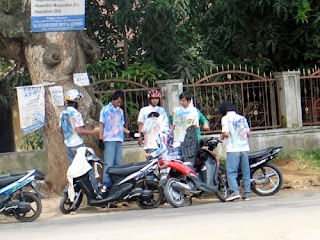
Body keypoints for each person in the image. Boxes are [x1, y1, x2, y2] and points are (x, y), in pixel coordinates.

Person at [59, 89, 100, 196]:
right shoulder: (76, 114)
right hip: (78, 145)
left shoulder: (62, 113)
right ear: (75, 101)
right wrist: (93, 131)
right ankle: (96, 191)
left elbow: (61, 130)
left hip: (68, 146)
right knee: (88, 168)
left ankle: (74, 192)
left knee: (73, 170)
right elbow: (79, 130)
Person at [219, 101, 251, 201]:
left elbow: (226, 133)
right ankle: (246, 193)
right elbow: (248, 133)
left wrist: (222, 136)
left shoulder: (225, 118)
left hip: (233, 149)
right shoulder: (242, 118)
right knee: (246, 171)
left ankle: (235, 192)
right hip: (244, 148)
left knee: (231, 172)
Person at [99, 90, 130, 189]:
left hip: (119, 139)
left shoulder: (120, 111)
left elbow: (120, 126)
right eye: (118, 102)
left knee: (118, 164)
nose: (119, 104)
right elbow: (101, 125)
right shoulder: (105, 110)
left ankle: (118, 183)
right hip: (109, 139)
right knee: (109, 163)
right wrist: (100, 139)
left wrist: (129, 132)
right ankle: (106, 183)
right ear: (113, 99)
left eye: (120, 102)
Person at [137, 89, 169, 158]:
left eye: (156, 99)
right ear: (149, 99)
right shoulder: (144, 110)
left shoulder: (162, 110)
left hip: (160, 141)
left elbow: (166, 125)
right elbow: (140, 124)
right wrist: (139, 136)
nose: (155, 101)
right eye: (153, 99)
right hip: (149, 142)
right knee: (151, 162)